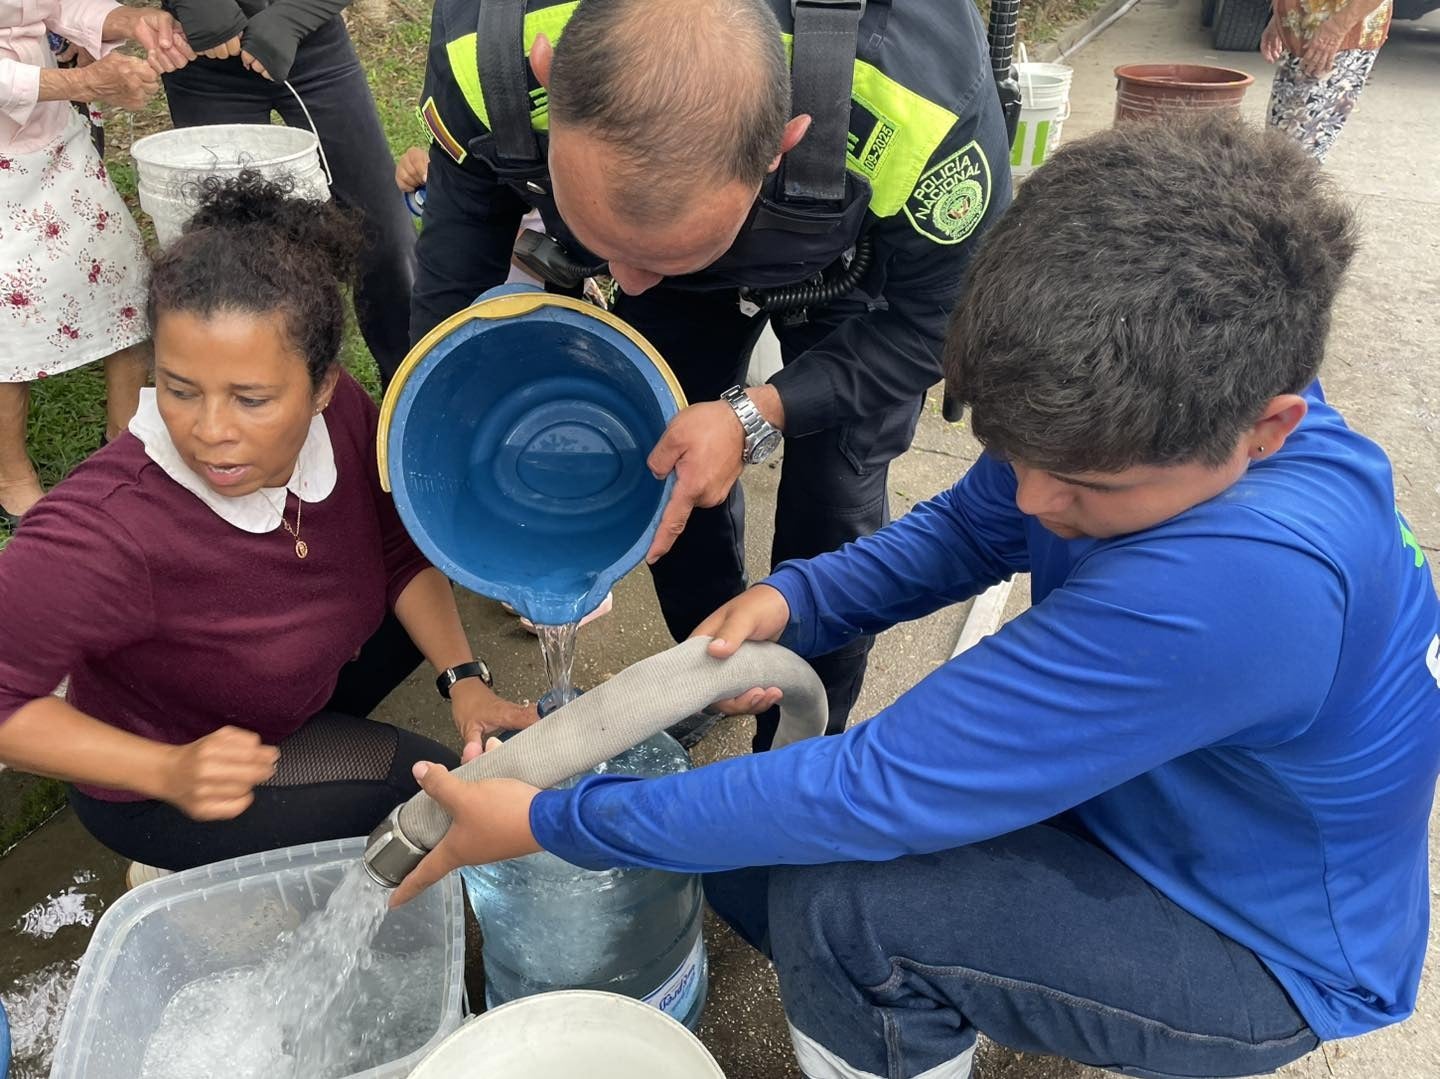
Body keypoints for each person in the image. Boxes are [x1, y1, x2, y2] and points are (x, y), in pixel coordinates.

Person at [390, 119, 1440, 1079]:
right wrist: (794, 599)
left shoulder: (1245, 586)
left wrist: (551, 820)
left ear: (1268, 428)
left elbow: (875, 787)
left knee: (846, 912)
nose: (1034, 500)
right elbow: (973, 528)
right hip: (1149, 800)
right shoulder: (1151, 405)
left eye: (1084, 487)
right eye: (1019, 455)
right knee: (750, 867)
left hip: (1255, 941)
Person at [412, 0, 1012, 748]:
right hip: (694, 253)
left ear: (784, 140)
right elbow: (454, 272)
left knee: (834, 499)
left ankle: (798, 738)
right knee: (672, 467)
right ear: (546, 72)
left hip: (858, 273)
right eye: (604, 244)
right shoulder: (489, 52)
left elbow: (942, 320)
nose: (629, 283)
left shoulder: (921, 111)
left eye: (660, 256)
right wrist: (446, 423)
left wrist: (760, 411)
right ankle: (706, 673)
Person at [0, 175, 536, 884]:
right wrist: (168, 770)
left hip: (282, 686)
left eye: (250, 399)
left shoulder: (343, 414)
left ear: (321, 386)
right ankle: (180, 856)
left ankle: (287, 801)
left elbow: (397, 548)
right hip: (172, 775)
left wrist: (464, 679)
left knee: (426, 592)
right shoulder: (103, 530)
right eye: (180, 389)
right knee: (428, 796)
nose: (210, 431)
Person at [1, 0, 192, 529]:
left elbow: (57, 3)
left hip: (52, 136)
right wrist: (84, 84)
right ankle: (9, 474)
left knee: (121, 274)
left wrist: (128, 21)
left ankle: (126, 440)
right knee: (7, 314)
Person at [157, 0, 417, 385]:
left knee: (386, 237)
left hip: (314, 44)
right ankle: (261, 395)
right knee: (235, 255)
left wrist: (294, 16)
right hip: (204, 57)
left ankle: (410, 389)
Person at [1261, 0, 1391, 161]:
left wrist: (1335, 29)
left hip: (1340, 36)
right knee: (1277, 141)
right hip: (1303, 31)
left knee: (1294, 151)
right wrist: (1279, 18)